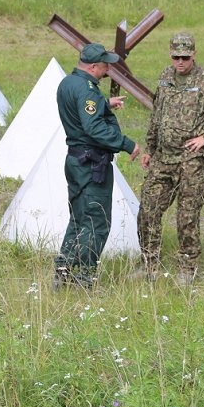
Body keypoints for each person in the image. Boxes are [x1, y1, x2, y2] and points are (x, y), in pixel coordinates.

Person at [135, 32, 204, 285]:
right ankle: (149, 264)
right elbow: (157, 114)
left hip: (190, 161)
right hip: (162, 159)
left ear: (194, 54)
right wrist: (150, 148)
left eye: (185, 57)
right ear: (170, 54)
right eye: (176, 57)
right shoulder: (165, 77)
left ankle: (187, 267)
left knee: (187, 216)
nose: (180, 62)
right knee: (148, 210)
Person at [54, 43, 141, 290]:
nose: (107, 70)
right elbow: (93, 127)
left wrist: (104, 103)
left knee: (79, 218)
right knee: (96, 221)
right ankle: (84, 277)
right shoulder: (88, 91)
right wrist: (126, 143)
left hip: (75, 160)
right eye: (104, 66)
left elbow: (82, 110)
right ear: (93, 66)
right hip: (92, 164)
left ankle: (63, 270)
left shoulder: (69, 83)